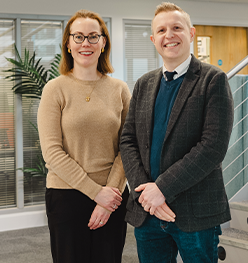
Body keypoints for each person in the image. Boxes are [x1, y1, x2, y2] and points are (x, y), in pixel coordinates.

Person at [120, 2, 234, 263]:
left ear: (191, 33)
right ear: (153, 39)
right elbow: (127, 140)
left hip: (195, 213)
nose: (168, 35)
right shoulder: (144, 84)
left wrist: (161, 188)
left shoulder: (213, 80)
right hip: (148, 213)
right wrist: (145, 195)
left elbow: (213, 147)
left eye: (176, 28)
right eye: (161, 30)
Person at [37, 9, 131, 263]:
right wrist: (94, 192)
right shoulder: (54, 89)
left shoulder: (120, 90)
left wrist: (108, 194)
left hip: (112, 196)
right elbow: (52, 152)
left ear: (103, 43)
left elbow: (128, 146)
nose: (85, 43)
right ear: (68, 44)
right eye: (78, 37)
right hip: (66, 196)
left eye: (92, 36)